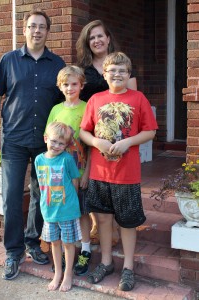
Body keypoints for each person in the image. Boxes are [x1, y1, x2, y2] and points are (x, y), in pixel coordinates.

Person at [0, 9, 65, 280]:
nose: (37, 31)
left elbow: (62, 101)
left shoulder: (57, 63)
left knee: (41, 194)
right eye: (32, 26)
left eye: (42, 26)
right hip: (15, 140)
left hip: (47, 142)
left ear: (48, 31)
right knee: (10, 198)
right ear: (25, 29)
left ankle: (33, 242)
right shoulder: (8, 60)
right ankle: (13, 250)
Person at [79, 52, 158, 291]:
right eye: (112, 70)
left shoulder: (138, 98)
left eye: (122, 70)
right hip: (100, 173)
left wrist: (128, 142)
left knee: (127, 221)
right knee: (102, 219)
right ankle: (106, 262)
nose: (117, 74)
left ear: (129, 74)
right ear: (104, 74)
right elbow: (84, 131)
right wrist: (96, 143)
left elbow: (150, 131)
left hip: (127, 173)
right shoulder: (95, 99)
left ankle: (128, 267)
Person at [76, 19, 137, 245]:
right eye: (91, 38)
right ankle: (100, 224)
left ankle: (118, 225)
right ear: (87, 43)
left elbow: (133, 102)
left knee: (118, 181)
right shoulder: (84, 70)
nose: (97, 40)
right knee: (92, 178)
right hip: (92, 133)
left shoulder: (121, 65)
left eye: (100, 36)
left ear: (108, 38)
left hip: (120, 135)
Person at [46, 66, 91, 276]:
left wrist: (87, 173)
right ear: (60, 86)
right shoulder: (56, 110)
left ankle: (85, 249)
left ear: (81, 85)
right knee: (64, 212)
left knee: (81, 211)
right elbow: (49, 139)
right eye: (66, 84)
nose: (70, 88)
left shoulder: (87, 107)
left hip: (79, 169)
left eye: (74, 84)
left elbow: (91, 146)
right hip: (58, 174)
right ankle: (66, 250)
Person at [35, 121, 81, 292]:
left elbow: (75, 180)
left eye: (61, 143)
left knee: (68, 243)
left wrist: (72, 201)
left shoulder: (67, 159)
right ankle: (58, 273)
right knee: (55, 243)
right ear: (46, 138)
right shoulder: (39, 160)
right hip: (49, 210)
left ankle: (68, 274)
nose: (57, 145)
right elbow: (42, 184)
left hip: (67, 210)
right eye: (54, 141)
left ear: (66, 145)